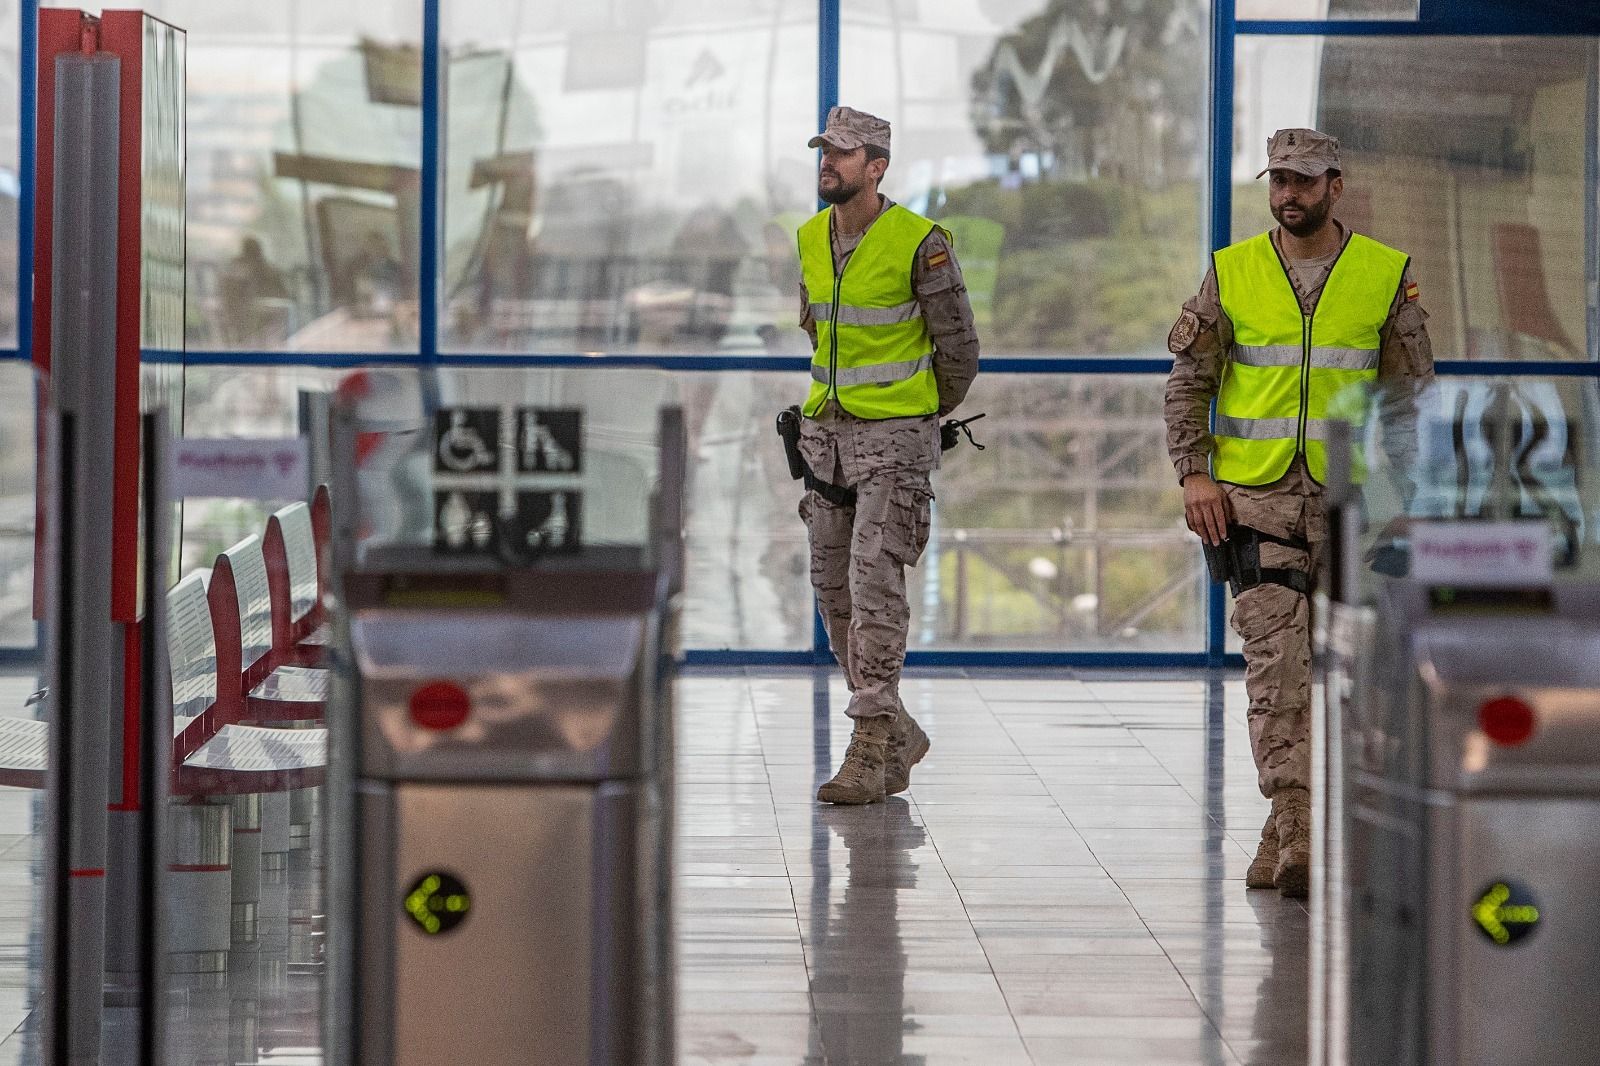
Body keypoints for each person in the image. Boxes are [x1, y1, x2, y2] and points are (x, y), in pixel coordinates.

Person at [1164, 128, 1434, 896]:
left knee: (1349, 678)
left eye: (1304, 181)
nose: (1289, 194)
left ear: (1335, 187)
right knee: (1275, 672)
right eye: (1279, 179)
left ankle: (1287, 831)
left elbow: (1411, 403)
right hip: (1255, 504)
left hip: (1356, 509)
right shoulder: (1233, 271)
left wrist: (1408, 507)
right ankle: (1300, 833)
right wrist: (1194, 474)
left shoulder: (1385, 275)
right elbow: (1189, 382)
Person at [794, 106, 981, 805]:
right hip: (825, 442)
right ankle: (896, 726)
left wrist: (917, 417)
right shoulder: (812, 238)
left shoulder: (919, 242)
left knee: (875, 582)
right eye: (824, 151)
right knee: (832, 590)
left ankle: (871, 743)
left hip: (894, 444)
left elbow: (959, 349)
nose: (827, 163)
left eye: (843, 154)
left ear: (877, 167)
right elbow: (819, 332)